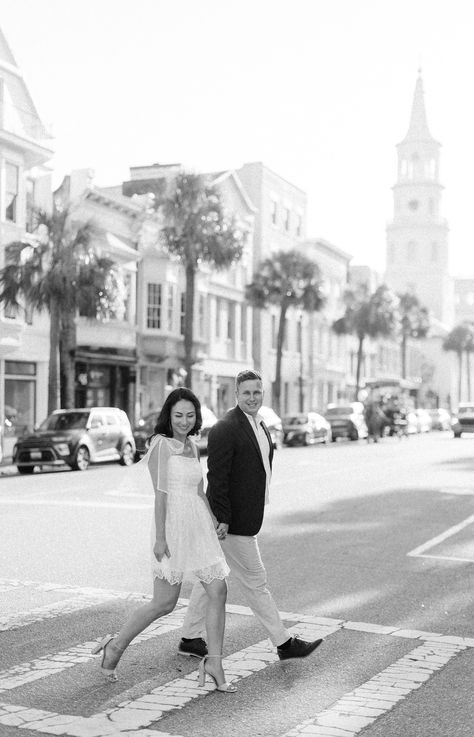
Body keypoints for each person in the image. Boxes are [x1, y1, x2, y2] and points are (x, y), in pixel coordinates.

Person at [92, 388, 236, 693]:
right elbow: (161, 495)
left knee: (218, 588)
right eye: (178, 415)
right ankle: (115, 646)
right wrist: (160, 538)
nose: (184, 421)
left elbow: (199, 492)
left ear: (197, 417)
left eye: (190, 415)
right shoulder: (160, 446)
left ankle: (215, 661)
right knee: (164, 603)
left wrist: (213, 523)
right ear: (168, 416)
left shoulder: (194, 446)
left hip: (198, 526)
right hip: (172, 526)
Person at [179, 370, 323, 661]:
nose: (252, 397)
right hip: (231, 523)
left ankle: (189, 638)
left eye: (257, 392)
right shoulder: (225, 428)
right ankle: (284, 643)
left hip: (243, 517)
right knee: (255, 582)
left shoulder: (260, 424)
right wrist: (222, 518)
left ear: (262, 394)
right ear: (236, 395)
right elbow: (217, 478)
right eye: (246, 393)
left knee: (211, 576)